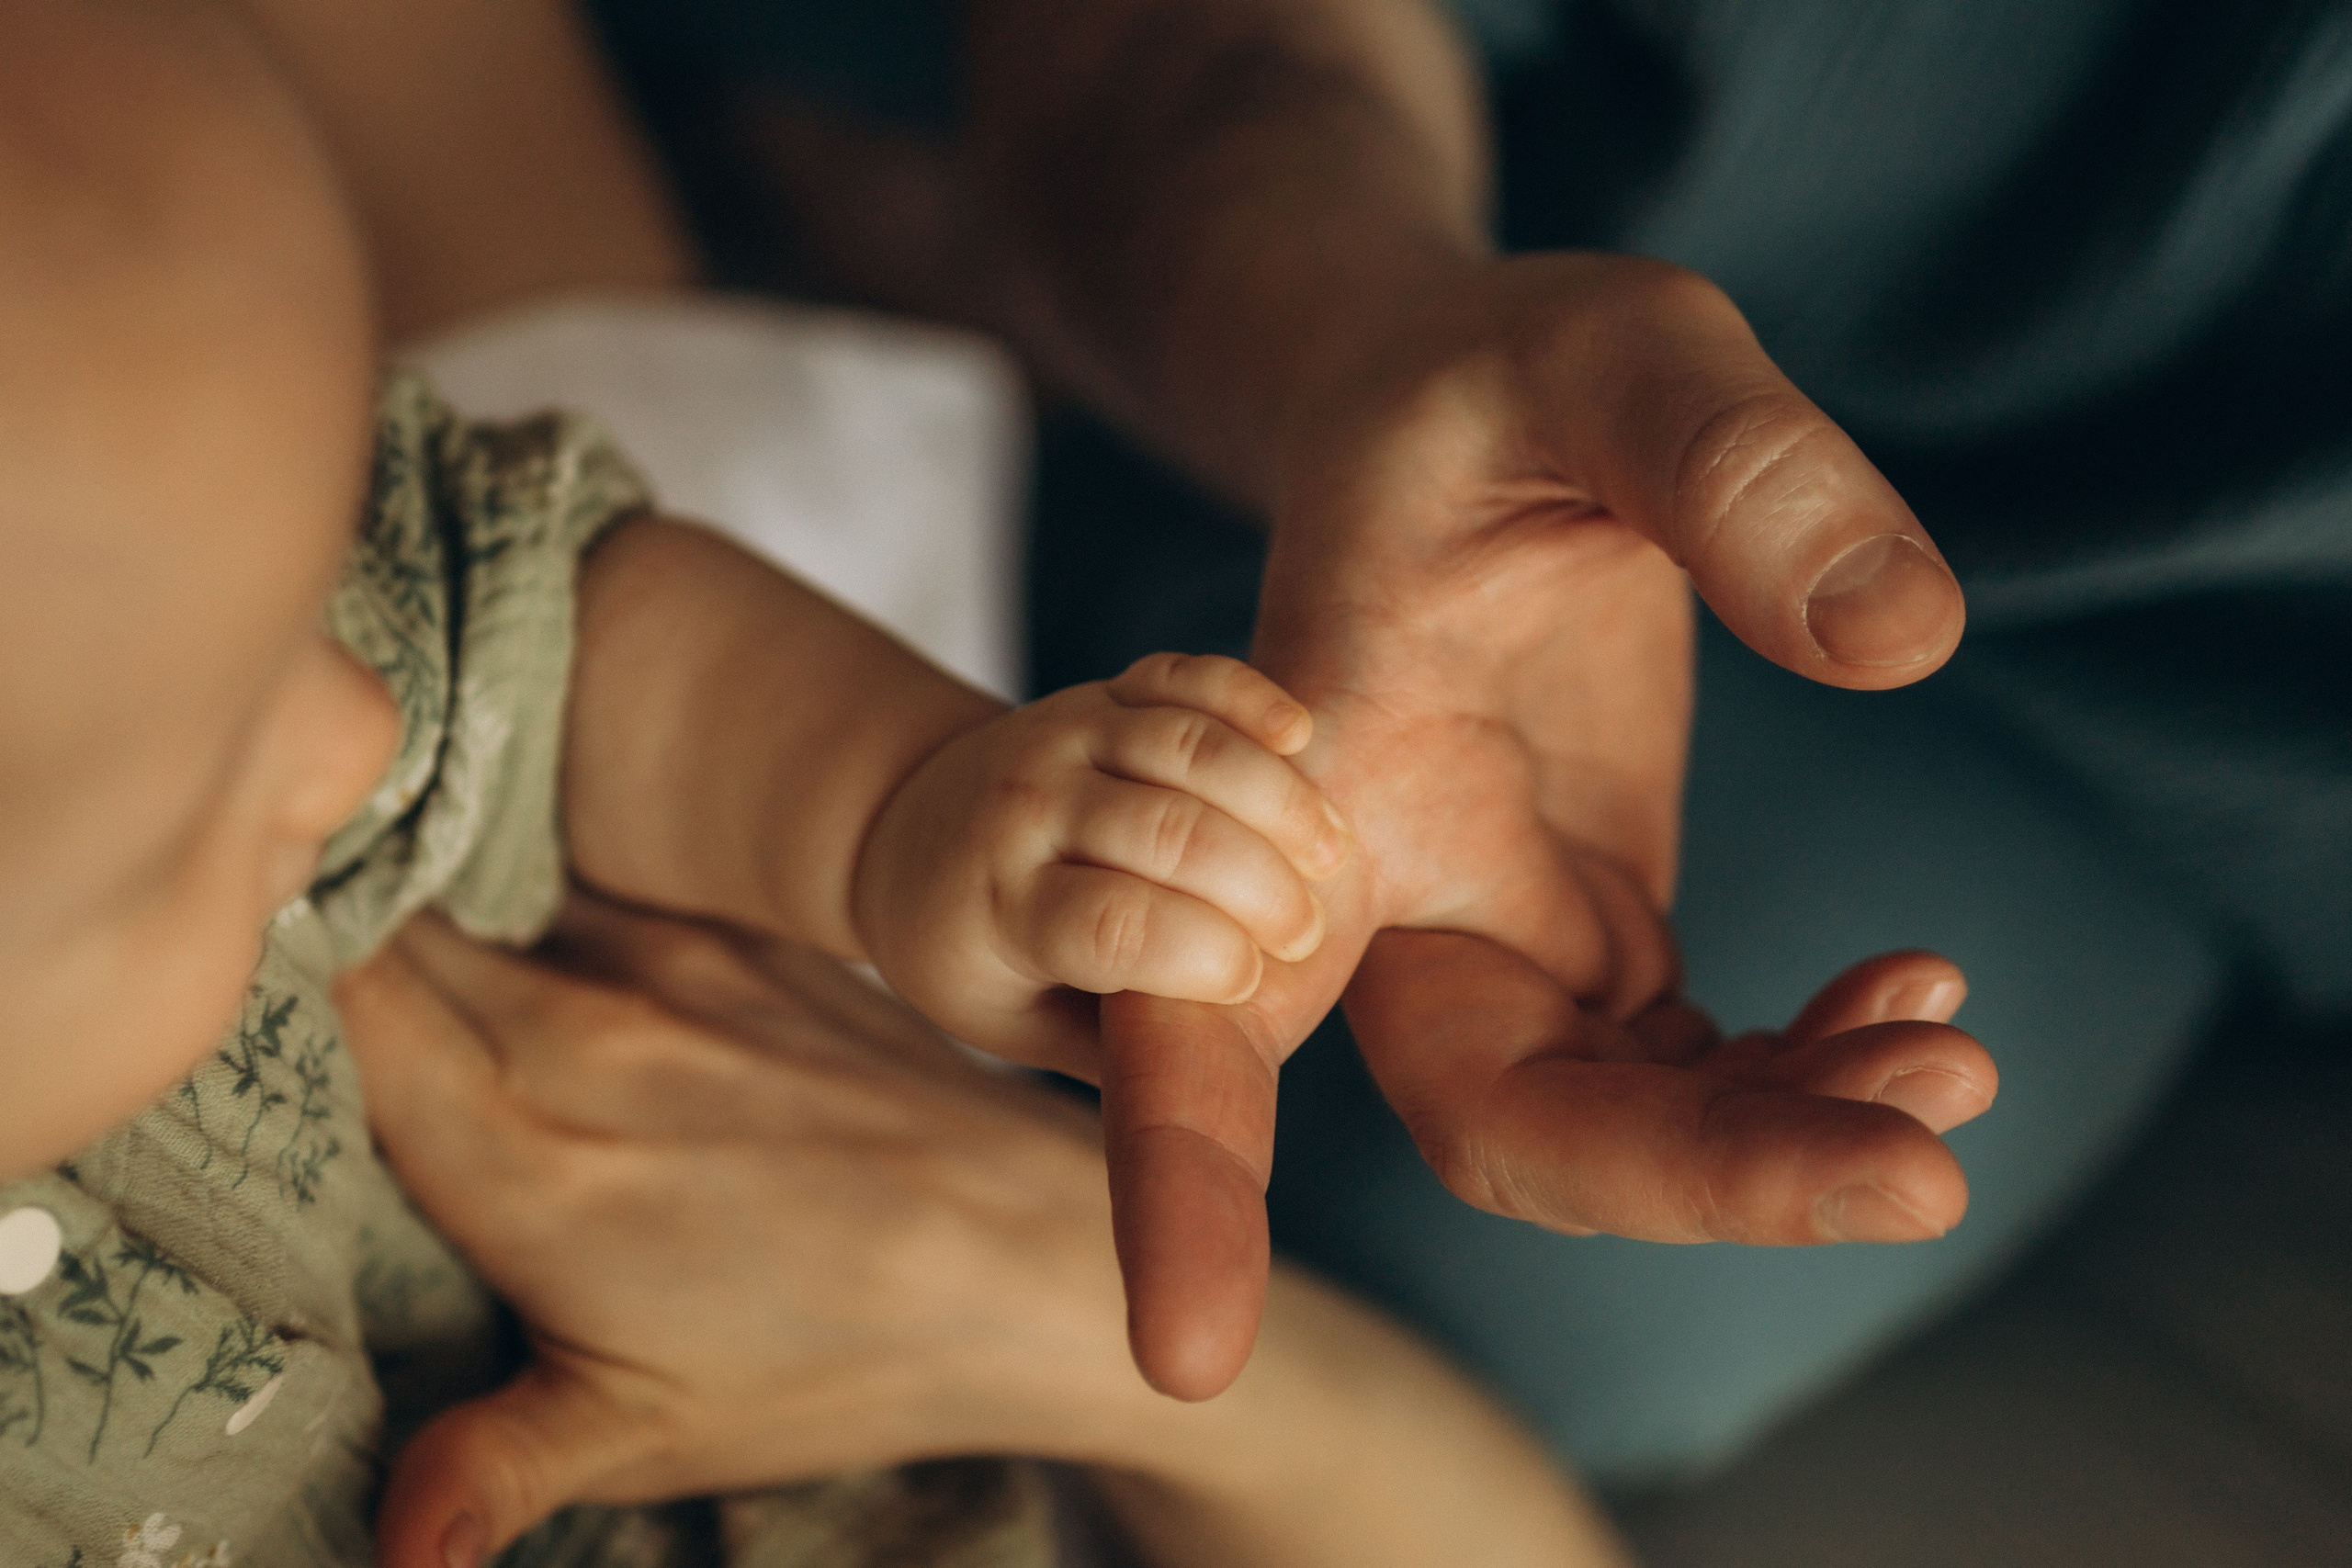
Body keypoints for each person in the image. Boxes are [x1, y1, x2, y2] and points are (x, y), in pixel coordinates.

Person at [620, 0, 2335, 1483]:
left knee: (1585, 1267)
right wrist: (1361, 328)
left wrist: (918, 832)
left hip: (2186, 771)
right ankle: (912, 195)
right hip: (1498, 257)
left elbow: (580, 655)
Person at [0, 3, 1445, 1557]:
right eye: (199, 786)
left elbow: (513, 610)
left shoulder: (133, 578)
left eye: (311, 599)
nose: (360, 729)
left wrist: (918, 812)